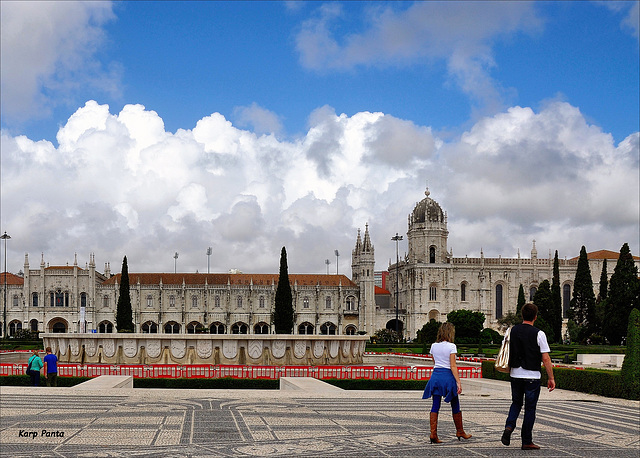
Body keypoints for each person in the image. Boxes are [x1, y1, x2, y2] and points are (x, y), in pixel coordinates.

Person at [501, 303, 555, 450]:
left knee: (516, 403)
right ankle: (526, 441)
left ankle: (509, 427)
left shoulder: (511, 331)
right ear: (535, 317)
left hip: (515, 374)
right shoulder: (539, 333)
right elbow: (545, 358)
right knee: (530, 408)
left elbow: (505, 350)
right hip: (532, 375)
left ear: (522, 315)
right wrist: (551, 378)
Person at [422, 322, 472, 443]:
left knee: (435, 404)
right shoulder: (451, 346)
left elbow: (435, 362)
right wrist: (458, 382)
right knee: (455, 403)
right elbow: (453, 366)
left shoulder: (433, 346)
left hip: (436, 376)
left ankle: (433, 433)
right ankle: (460, 431)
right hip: (447, 376)